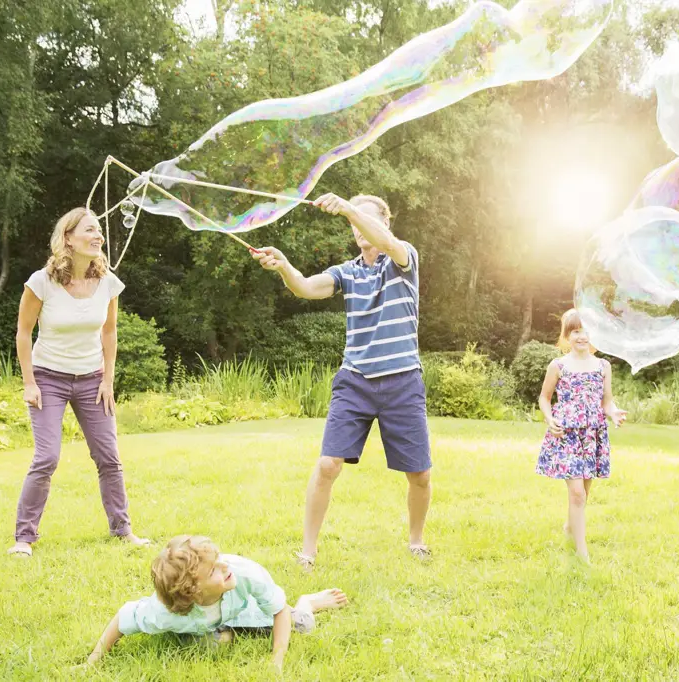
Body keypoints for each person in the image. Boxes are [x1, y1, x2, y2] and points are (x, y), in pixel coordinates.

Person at [252, 193, 432, 569]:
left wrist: (350, 208)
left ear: (384, 222)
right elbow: (305, 288)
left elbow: (387, 243)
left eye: (366, 219)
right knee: (328, 465)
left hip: (402, 380)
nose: (358, 227)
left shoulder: (403, 258)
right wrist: (284, 266)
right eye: (353, 221)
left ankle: (416, 541)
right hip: (356, 380)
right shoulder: (346, 272)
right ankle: (308, 552)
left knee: (419, 473)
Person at [8, 207, 149, 557]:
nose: (97, 235)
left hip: (92, 379)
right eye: (89, 229)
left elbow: (110, 331)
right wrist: (29, 382)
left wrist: (108, 379)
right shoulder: (42, 281)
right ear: (68, 238)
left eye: (99, 229)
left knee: (109, 458)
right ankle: (24, 538)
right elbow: (24, 333)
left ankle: (123, 531)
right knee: (47, 458)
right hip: (48, 377)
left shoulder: (108, 282)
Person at [83, 535, 348, 671]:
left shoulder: (243, 573)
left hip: (248, 612)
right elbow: (124, 616)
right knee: (211, 645)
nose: (224, 565)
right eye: (212, 571)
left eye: (219, 558)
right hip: (204, 623)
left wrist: (276, 659)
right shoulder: (164, 613)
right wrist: (94, 660)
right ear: (193, 593)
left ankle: (308, 603)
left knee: (300, 625)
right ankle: (222, 633)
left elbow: (278, 610)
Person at [536, 309, 626, 561]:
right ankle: (582, 552)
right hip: (566, 434)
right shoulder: (558, 365)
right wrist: (549, 416)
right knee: (576, 493)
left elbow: (606, 402)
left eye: (586, 331)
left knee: (583, 493)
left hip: (592, 435)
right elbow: (544, 397)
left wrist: (614, 412)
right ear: (567, 335)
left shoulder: (603, 366)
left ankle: (569, 526)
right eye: (575, 331)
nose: (581, 336)